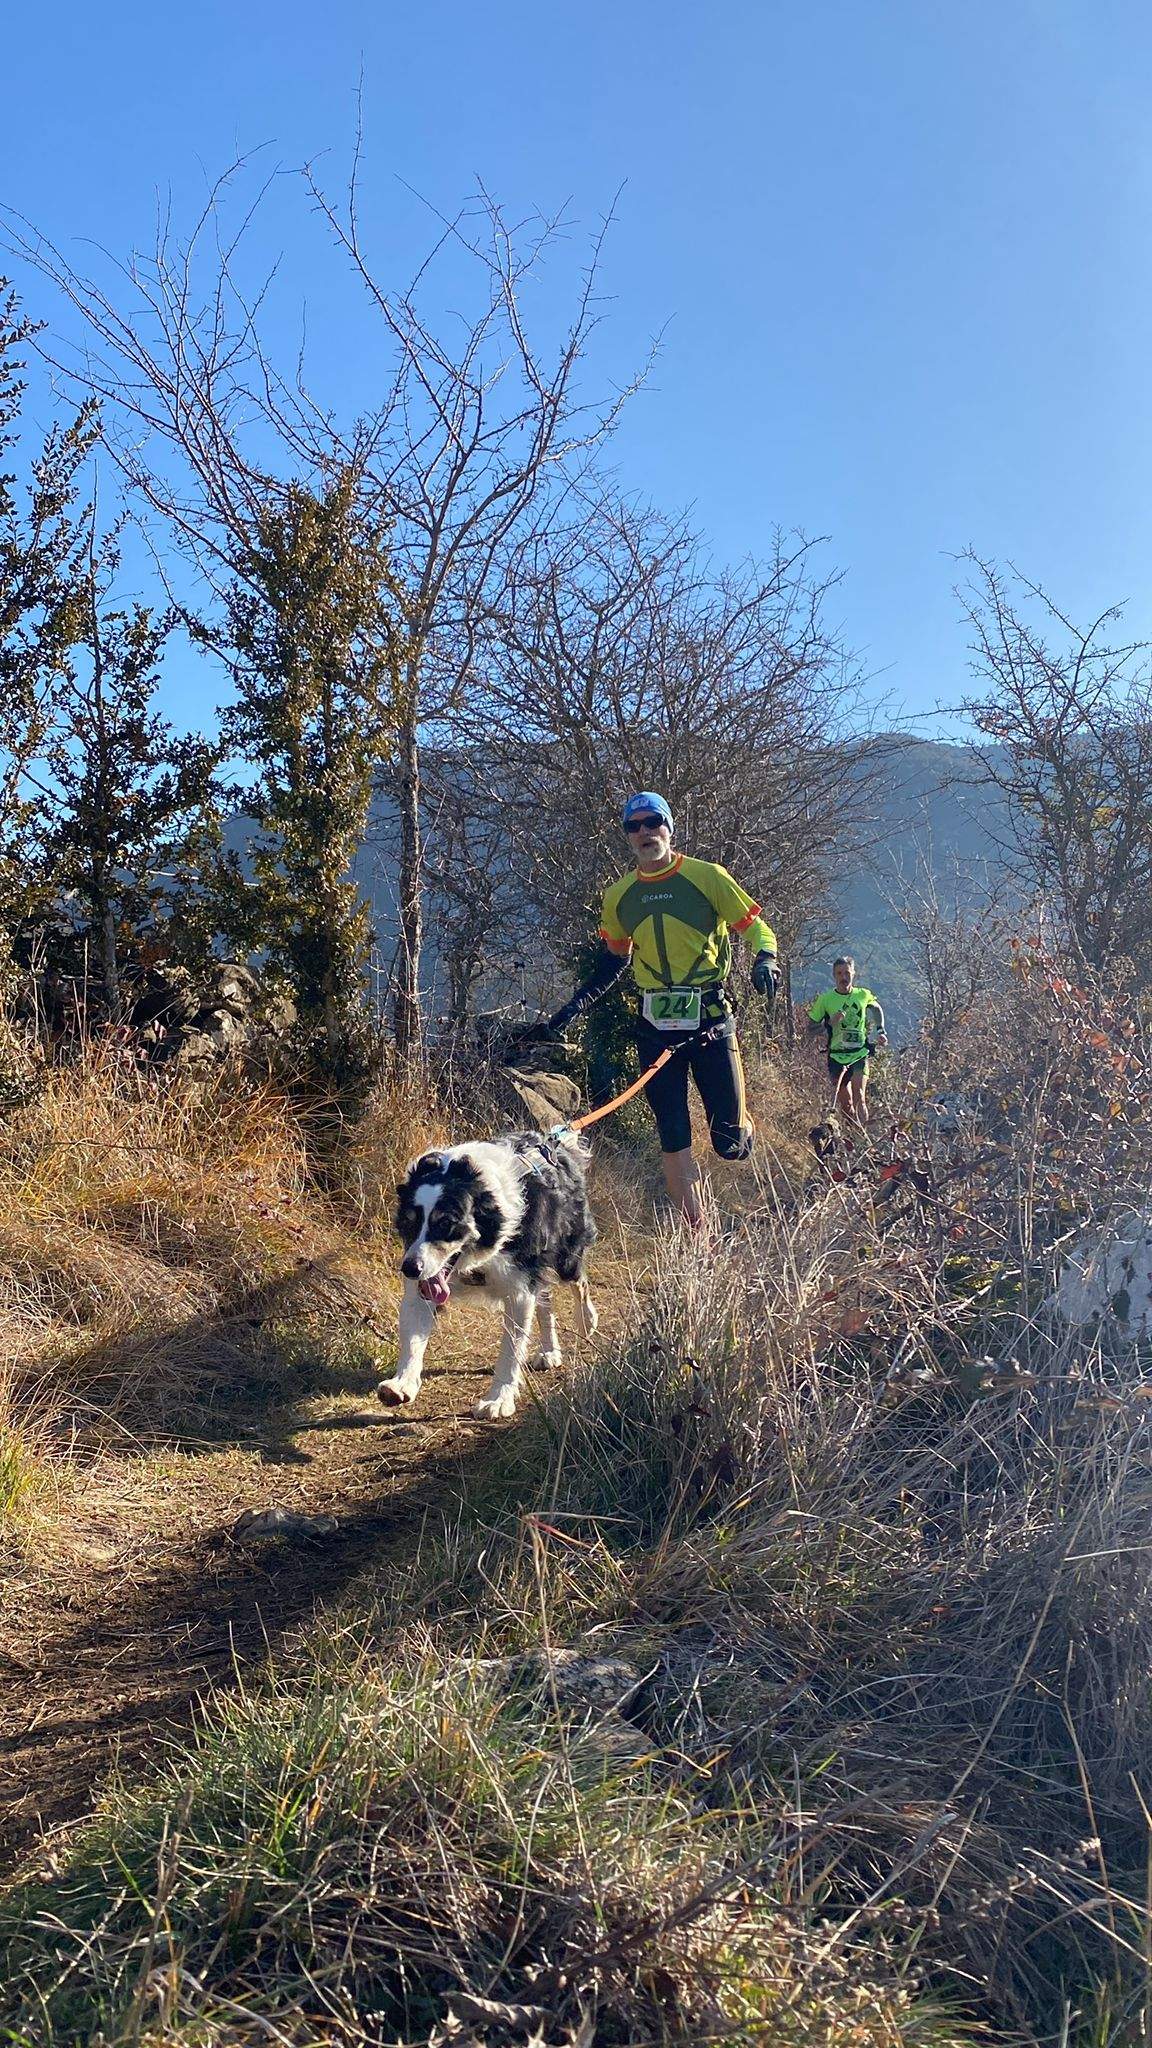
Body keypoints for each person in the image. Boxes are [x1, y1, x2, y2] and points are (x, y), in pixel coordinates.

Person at [545, 792, 780, 1225]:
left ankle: (742, 1119)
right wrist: (573, 1007)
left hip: (709, 1020)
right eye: (633, 826)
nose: (644, 832)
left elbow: (756, 926)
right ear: (627, 837)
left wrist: (765, 957)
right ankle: (700, 1240)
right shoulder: (619, 896)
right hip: (654, 1027)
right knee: (673, 1137)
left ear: (669, 827)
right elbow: (614, 960)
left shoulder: (707, 877)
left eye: (652, 821)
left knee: (730, 1144)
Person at [806, 956, 887, 1138]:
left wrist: (881, 1031)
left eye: (847, 973)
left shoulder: (862, 994)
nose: (844, 977)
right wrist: (829, 1023)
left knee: (859, 1097)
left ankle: (864, 1140)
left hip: (859, 1053)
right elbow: (811, 1029)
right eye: (839, 973)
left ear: (853, 974)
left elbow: (876, 1009)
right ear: (834, 976)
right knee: (846, 1104)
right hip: (836, 1056)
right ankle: (852, 1138)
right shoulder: (826, 1000)